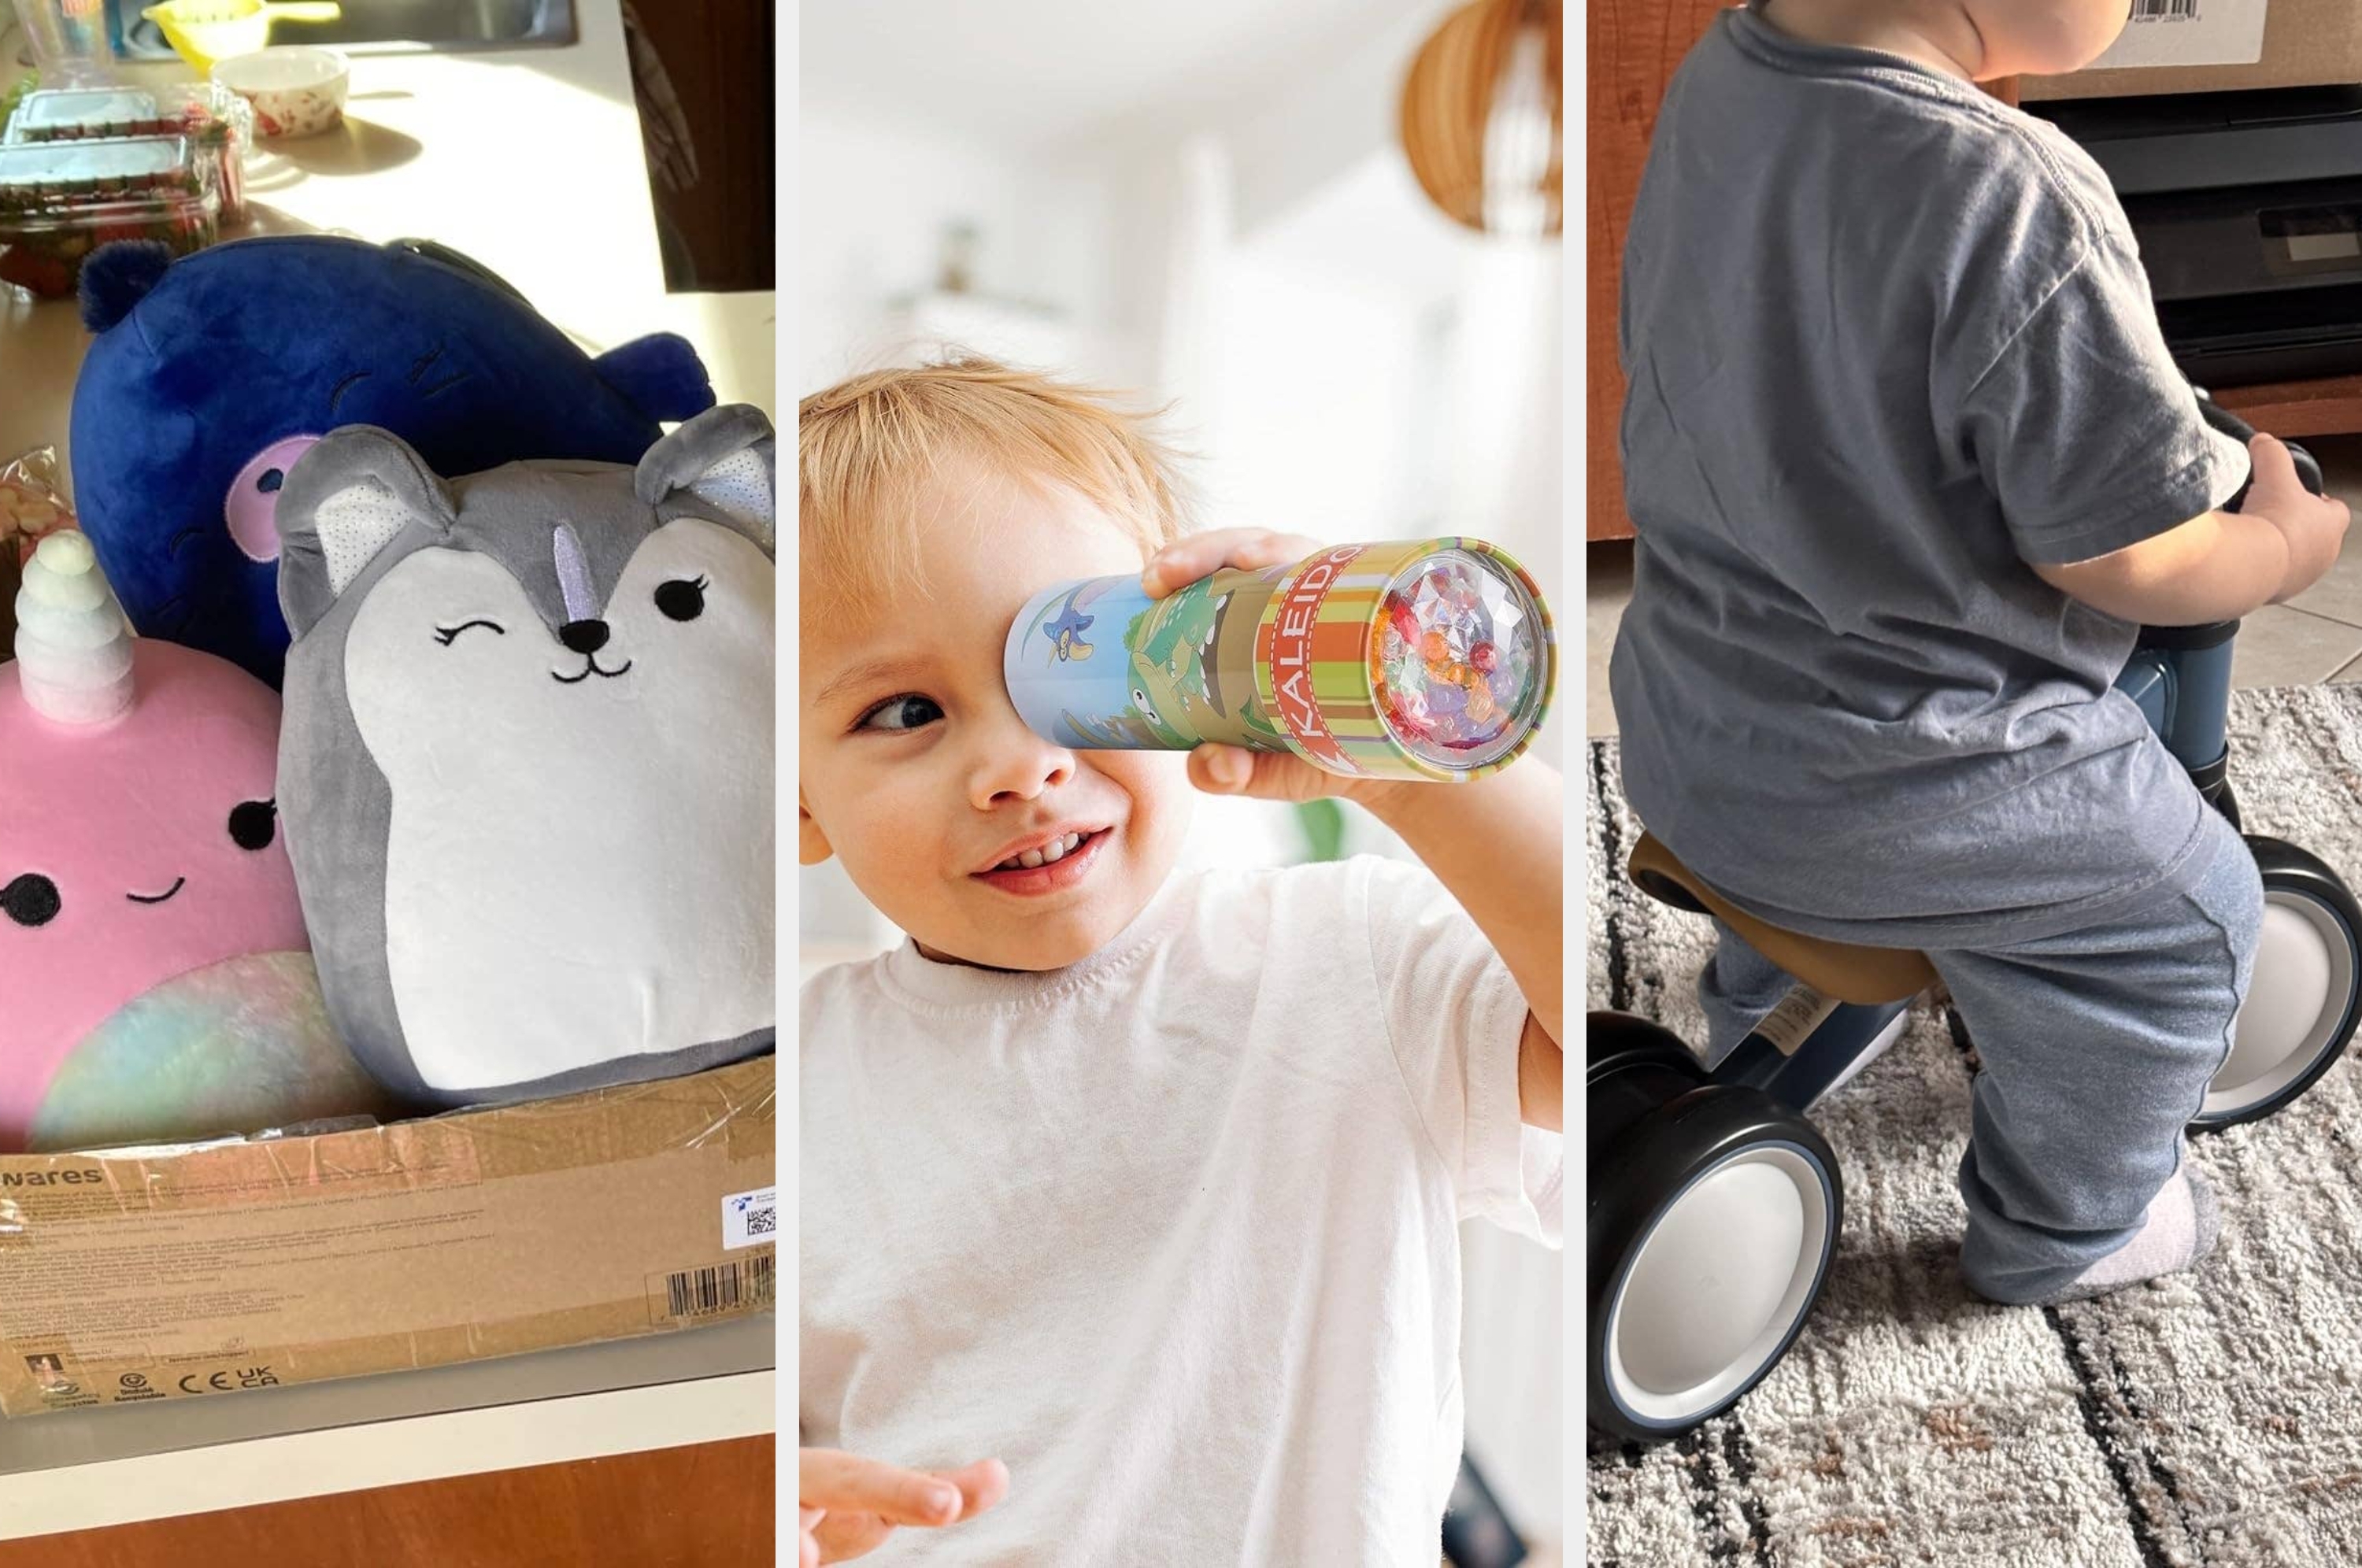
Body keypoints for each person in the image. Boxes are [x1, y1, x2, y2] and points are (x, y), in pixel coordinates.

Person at [1611, 0, 2352, 1307]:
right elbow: (2138, 558)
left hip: (1688, 725)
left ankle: (1764, 1002)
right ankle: (2073, 1229)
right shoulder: (2019, 196)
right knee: (2188, 916)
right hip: (1896, 793)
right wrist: (2282, 547)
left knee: (1822, 664)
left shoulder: (1728, 69)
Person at [798, 357, 1563, 1562]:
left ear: (1187, 670)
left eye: (1074, 669)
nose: (1021, 767)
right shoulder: (794, 1088)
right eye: (905, 713)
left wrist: (1406, 766)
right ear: (795, 800)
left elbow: (1602, 1024)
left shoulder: (1346, 962)